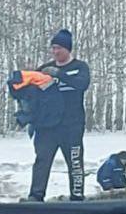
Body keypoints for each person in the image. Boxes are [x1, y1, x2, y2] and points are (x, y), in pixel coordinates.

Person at [25, 29, 91, 202]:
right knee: (42, 161)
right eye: (53, 48)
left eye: (59, 48)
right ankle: (36, 197)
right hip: (47, 127)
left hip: (72, 125)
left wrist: (59, 74)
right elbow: (32, 93)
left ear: (68, 49)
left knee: (75, 163)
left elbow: (82, 84)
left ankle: (77, 197)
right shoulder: (44, 69)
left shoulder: (79, 67)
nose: (55, 52)